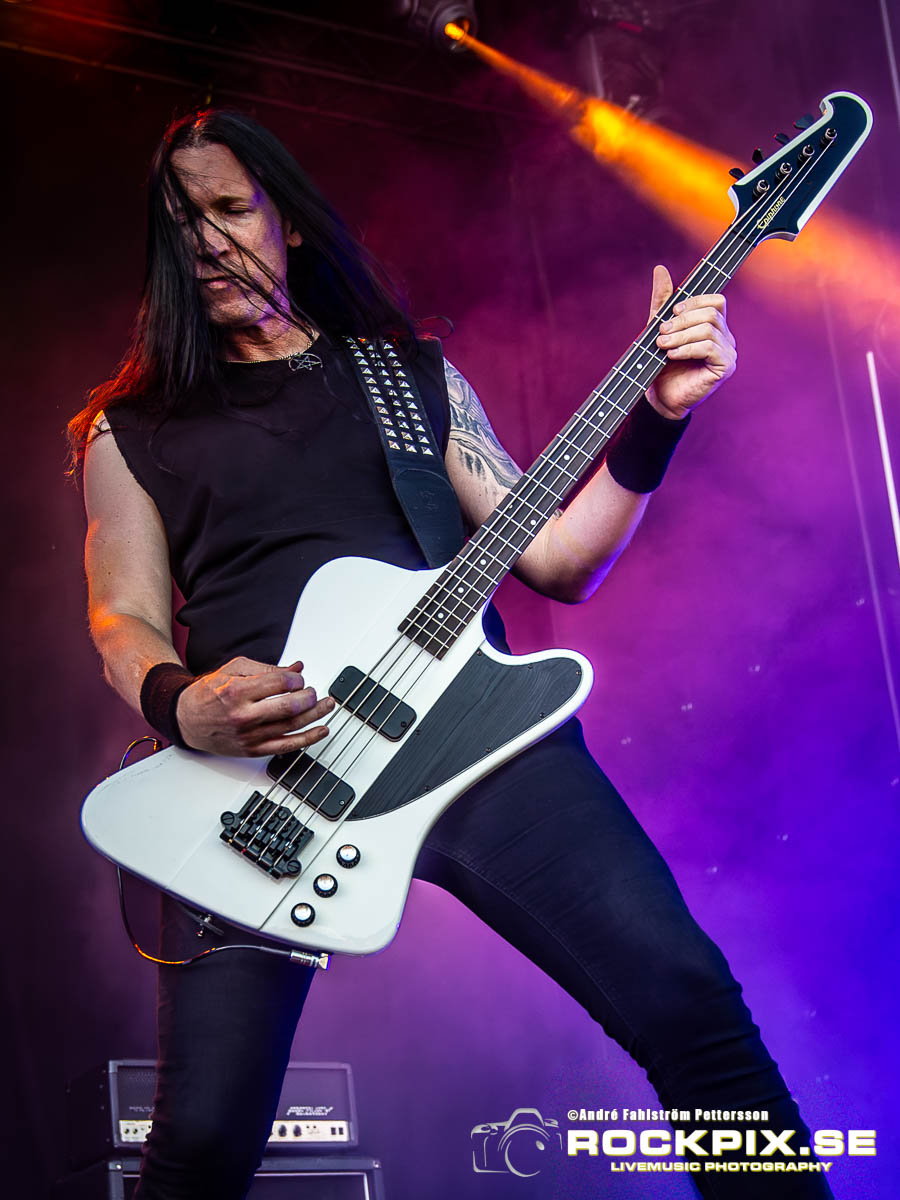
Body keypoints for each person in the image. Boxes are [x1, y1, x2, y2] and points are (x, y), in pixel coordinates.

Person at [71, 108, 830, 1200]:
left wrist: (660, 417)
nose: (208, 242)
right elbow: (121, 617)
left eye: (230, 209)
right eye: (180, 223)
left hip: (474, 735)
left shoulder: (409, 376)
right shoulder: (131, 428)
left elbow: (559, 557)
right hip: (262, 784)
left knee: (689, 1000)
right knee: (202, 1140)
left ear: (287, 219)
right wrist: (182, 704)